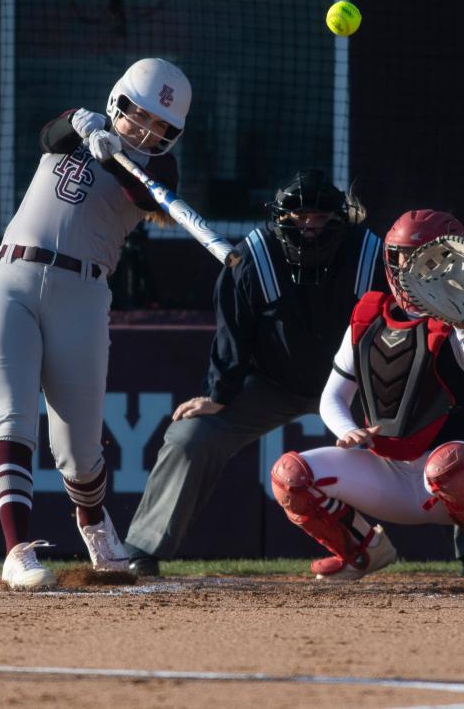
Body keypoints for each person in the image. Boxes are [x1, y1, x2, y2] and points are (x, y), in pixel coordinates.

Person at [0, 57, 188, 590]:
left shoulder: (160, 170)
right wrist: (87, 126)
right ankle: (17, 551)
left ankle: (93, 524)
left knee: (79, 450)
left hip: (83, 293)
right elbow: (53, 129)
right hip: (11, 279)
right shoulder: (75, 130)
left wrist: (119, 158)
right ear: (120, 101)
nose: (146, 130)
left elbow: (149, 197)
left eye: (160, 126)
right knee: (14, 420)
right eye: (139, 115)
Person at [123, 169, 384, 576]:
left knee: (432, 437)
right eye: (299, 218)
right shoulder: (253, 256)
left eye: (318, 217)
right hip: (274, 383)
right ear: (281, 218)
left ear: (340, 220)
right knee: (190, 436)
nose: (309, 227)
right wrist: (219, 393)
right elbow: (232, 331)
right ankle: (142, 550)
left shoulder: (372, 255)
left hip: (359, 386)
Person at [269, 209, 464, 580]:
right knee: (290, 474)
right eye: (400, 256)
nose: (407, 268)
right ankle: (362, 551)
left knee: (450, 465)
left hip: (450, 476)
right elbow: (332, 398)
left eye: (419, 258)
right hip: (386, 469)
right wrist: (347, 430)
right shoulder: (368, 316)